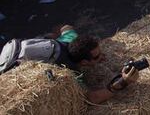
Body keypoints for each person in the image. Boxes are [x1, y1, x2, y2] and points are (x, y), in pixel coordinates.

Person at [0, 24, 140, 104]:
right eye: (97, 57)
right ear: (84, 62)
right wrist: (124, 82)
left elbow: (65, 26)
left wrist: (53, 36)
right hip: (10, 71)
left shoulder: (71, 39)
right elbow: (91, 98)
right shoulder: (68, 72)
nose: (102, 57)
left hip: (14, 48)